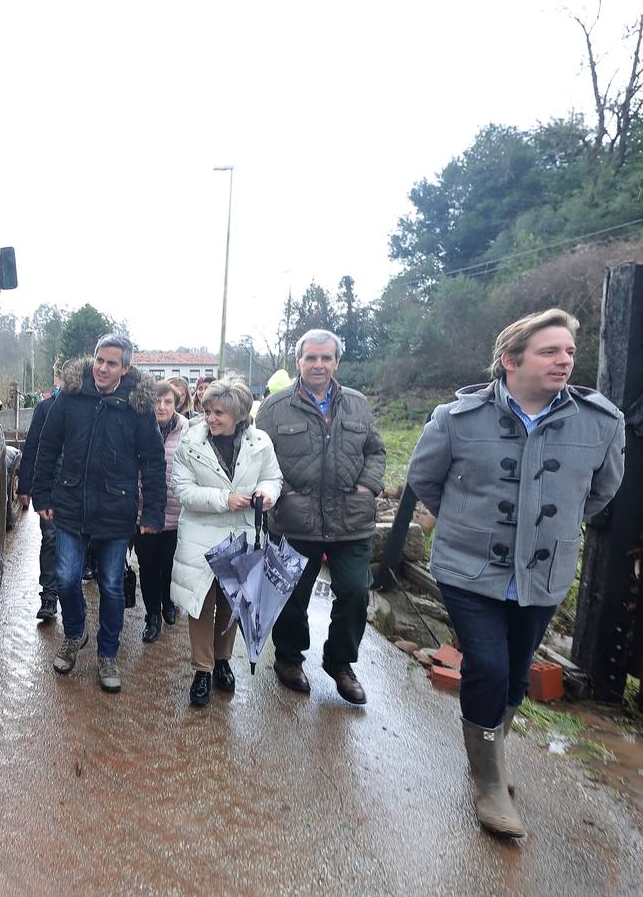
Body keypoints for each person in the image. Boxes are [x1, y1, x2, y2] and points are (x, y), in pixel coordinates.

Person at [407, 309, 623, 840]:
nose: (565, 360)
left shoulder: (600, 420)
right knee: (487, 663)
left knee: (517, 671)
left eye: (568, 351)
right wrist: (468, 526)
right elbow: (424, 480)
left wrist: (550, 530)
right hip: (468, 569)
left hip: (544, 572)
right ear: (511, 360)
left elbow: (601, 491)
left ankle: (491, 750)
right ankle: (487, 782)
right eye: (550, 351)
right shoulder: (457, 418)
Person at [257, 329, 385, 705]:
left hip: (351, 520)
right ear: (298, 361)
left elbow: (375, 451)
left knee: (356, 592)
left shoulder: (357, 404)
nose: (318, 364)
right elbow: (259, 458)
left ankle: (340, 663)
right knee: (292, 594)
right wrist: (278, 493)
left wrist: (368, 486)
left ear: (336, 362)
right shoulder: (276, 406)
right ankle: (289, 658)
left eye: (325, 358)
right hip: (295, 519)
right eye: (311, 357)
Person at [31, 334, 166, 693]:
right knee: (66, 576)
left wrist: (153, 511)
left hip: (116, 510)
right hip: (71, 504)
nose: (102, 368)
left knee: (110, 585)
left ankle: (108, 654)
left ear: (126, 367)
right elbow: (48, 445)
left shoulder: (137, 407)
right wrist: (42, 491)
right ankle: (75, 633)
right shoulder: (71, 397)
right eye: (99, 360)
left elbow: (152, 461)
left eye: (111, 363)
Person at [170, 380, 283, 706]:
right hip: (201, 533)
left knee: (232, 604)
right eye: (207, 411)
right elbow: (182, 489)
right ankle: (202, 669)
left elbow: (273, 477)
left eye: (219, 412)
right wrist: (224, 498)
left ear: (239, 415)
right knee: (201, 605)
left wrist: (266, 493)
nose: (211, 418)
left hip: (241, 533)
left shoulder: (260, 443)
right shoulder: (190, 442)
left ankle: (223, 661)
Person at [133, 381, 188, 642]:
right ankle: (152, 615)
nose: (161, 407)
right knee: (147, 566)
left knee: (170, 565)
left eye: (168, 402)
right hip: (144, 512)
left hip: (177, 515)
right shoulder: (140, 427)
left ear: (176, 404)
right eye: (157, 401)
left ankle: (168, 601)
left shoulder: (188, 432)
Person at [18, 366, 63, 621]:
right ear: (57, 378)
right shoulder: (45, 409)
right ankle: (48, 597)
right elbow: (32, 446)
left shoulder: (88, 408)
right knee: (51, 539)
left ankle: (71, 594)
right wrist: (25, 485)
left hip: (77, 490)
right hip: (50, 487)